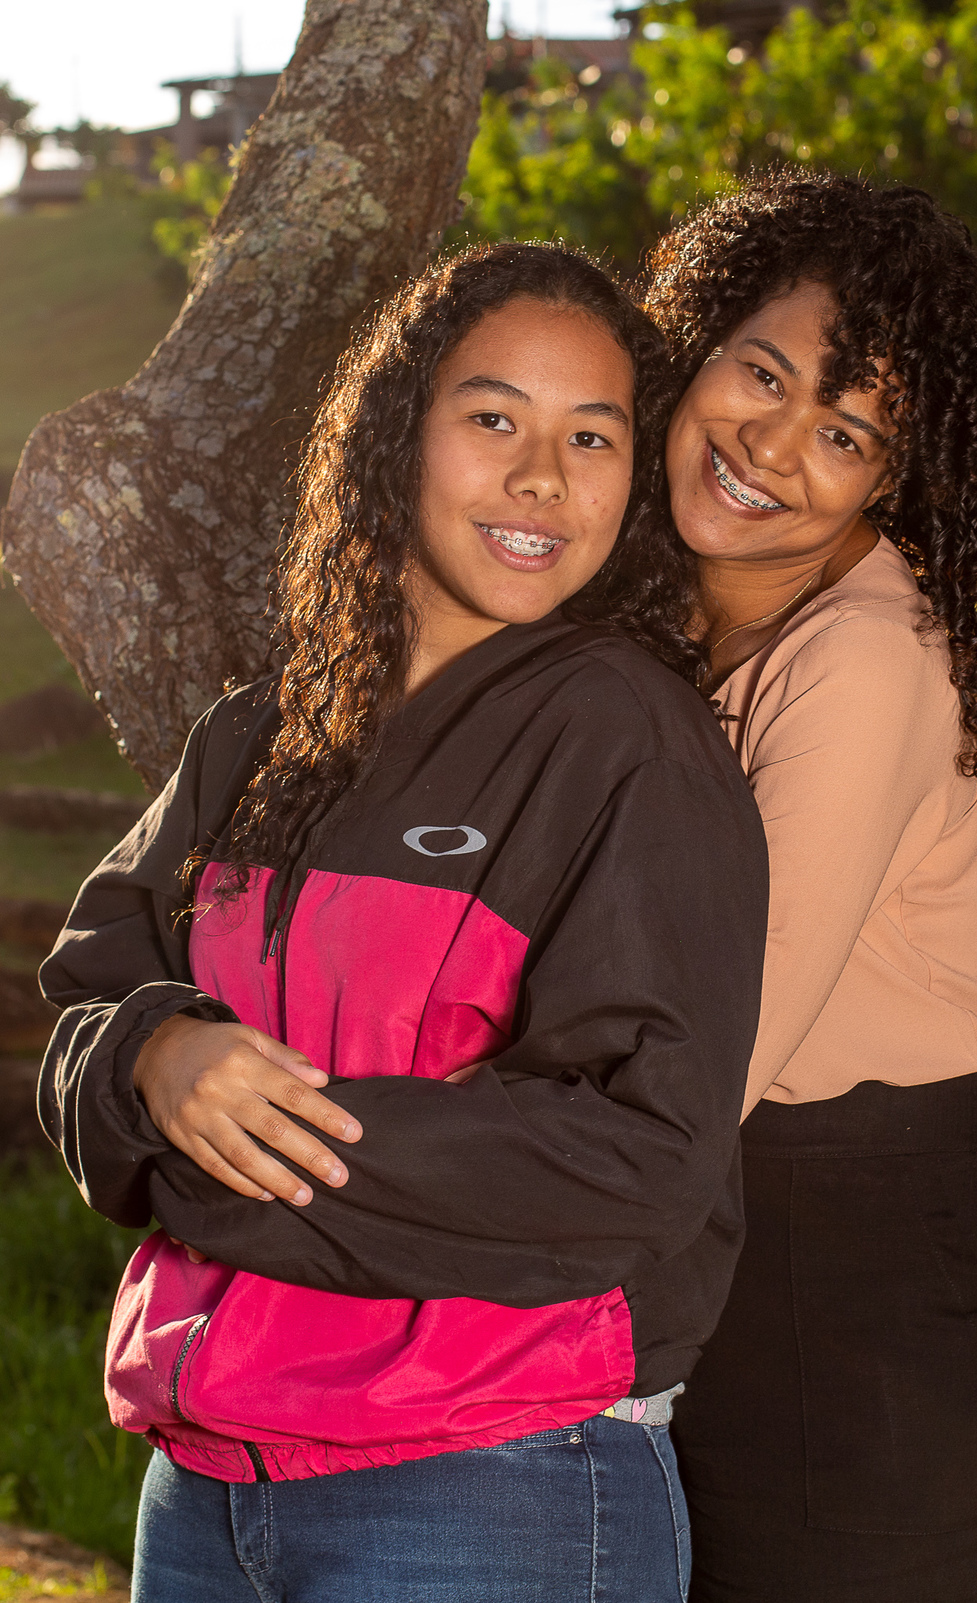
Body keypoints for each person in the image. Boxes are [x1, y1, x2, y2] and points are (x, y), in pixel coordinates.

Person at [38, 242, 769, 1603]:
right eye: (493, 418)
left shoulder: (624, 738)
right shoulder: (263, 736)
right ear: (396, 436)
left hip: (494, 1482)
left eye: (592, 436)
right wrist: (157, 1055)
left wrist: (218, 1173)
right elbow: (86, 1007)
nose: (542, 477)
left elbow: (644, 1156)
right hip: (203, 1489)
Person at [642, 169, 977, 1603]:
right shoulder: (663, 612)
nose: (771, 444)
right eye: (761, 374)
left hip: (855, 1260)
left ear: (894, 477)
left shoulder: (862, 659)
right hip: (704, 1209)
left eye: (844, 432)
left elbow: (728, 1041)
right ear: (694, 343)